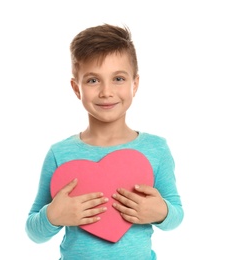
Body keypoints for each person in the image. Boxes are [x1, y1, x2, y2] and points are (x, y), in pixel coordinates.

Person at [25, 23, 184, 259]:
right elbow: (34, 231)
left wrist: (161, 212)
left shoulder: (156, 149)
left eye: (118, 78)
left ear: (135, 84)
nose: (106, 92)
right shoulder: (60, 154)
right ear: (76, 88)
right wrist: (52, 217)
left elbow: (176, 215)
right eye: (92, 81)